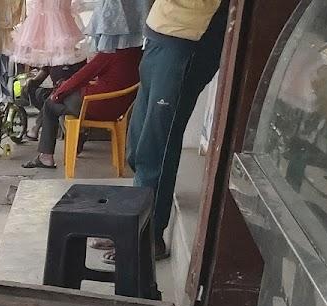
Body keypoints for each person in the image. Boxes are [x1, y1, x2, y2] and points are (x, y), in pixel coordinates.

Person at [125, 0, 228, 261]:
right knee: (138, 145)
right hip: (161, 34)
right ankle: (132, 223)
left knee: (157, 146)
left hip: (187, 40)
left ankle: (150, 236)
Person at [22, 46, 141, 170]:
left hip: (96, 105)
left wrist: (58, 94)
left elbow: (83, 76)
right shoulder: (137, 54)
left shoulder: (110, 53)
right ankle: (77, 134)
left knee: (51, 104)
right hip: (120, 109)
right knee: (58, 100)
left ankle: (46, 156)